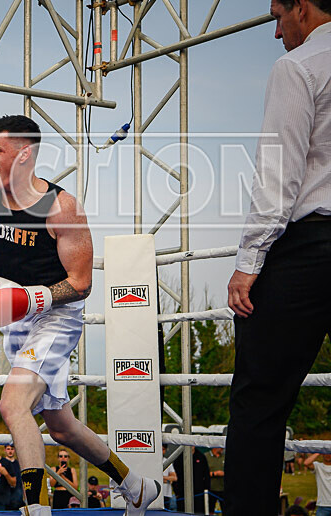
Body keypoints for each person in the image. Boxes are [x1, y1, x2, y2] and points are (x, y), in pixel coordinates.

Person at [0, 114, 160, 516]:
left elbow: (80, 283)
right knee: (61, 425)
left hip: (56, 316)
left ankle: (36, 508)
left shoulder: (61, 207)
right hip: (15, 316)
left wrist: (31, 299)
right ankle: (137, 486)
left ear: (25, 154)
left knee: (13, 405)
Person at [224, 1, 331, 514]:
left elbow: (278, 176)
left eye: (277, 16)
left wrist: (249, 262)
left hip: (311, 246)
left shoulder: (299, 66)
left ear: (303, 9)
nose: (275, 31)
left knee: (259, 404)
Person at [204, 447, 225, 515]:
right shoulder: (206, 457)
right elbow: (202, 473)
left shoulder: (225, 456)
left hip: (223, 489)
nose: (222, 449)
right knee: (210, 510)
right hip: (211, 489)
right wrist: (215, 473)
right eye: (221, 447)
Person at [2, 446, 22, 510]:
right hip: (5, 495)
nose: (10, 451)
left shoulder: (19, 464)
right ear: (5, 450)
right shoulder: (1, 463)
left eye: (12, 449)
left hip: (17, 494)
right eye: (8, 449)